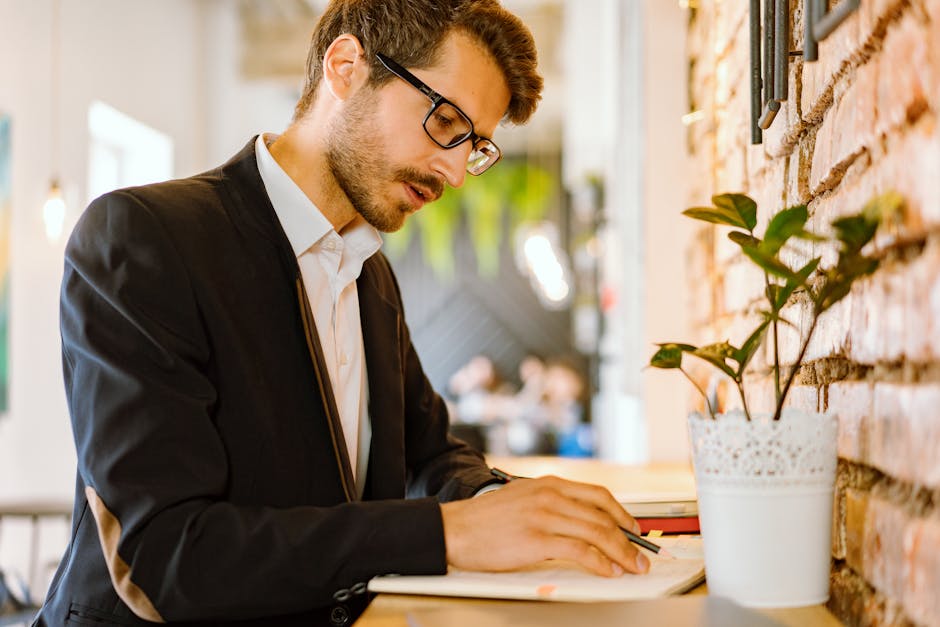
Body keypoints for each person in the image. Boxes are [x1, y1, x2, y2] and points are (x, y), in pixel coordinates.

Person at [35, 1, 648, 625]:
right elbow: (167, 557)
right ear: (347, 66)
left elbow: (429, 454)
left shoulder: (369, 272)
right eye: (445, 122)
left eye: (477, 146)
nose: (457, 171)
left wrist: (506, 503)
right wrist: (448, 534)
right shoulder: (144, 239)